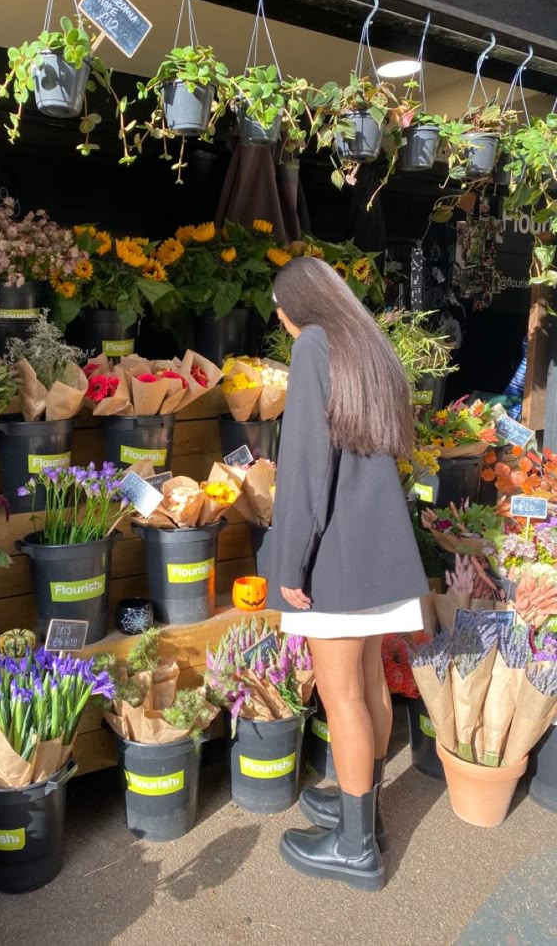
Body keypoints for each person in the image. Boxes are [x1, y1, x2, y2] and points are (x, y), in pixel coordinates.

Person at [268, 256, 429, 892]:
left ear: (296, 306)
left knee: (341, 699)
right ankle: (362, 805)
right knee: (367, 685)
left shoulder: (313, 345)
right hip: (378, 550)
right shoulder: (365, 344)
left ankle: (356, 847)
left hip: (333, 555)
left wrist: (290, 562)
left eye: (279, 309)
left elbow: (305, 467)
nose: (280, 321)